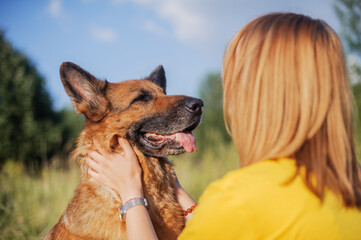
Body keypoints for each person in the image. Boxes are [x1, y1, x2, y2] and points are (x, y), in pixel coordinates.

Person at [86, 12, 361, 239]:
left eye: (233, 85)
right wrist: (178, 192)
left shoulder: (239, 201)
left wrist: (131, 194)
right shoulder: (352, 186)